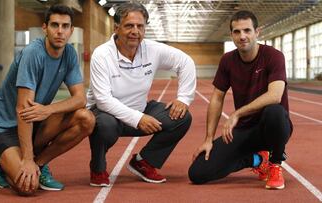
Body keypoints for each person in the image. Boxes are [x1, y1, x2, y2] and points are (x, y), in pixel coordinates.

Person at [0, 4, 95, 195]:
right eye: (54, 25)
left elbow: (80, 99)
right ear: (45, 28)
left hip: (36, 119)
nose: (60, 31)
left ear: (71, 30)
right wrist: (26, 159)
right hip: (2, 127)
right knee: (28, 188)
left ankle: (40, 163)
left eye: (65, 26)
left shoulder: (69, 54)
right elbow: (23, 111)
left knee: (86, 119)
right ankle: (7, 164)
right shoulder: (33, 54)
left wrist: (48, 110)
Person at [86, 2, 196, 187]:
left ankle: (144, 162)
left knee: (182, 117)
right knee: (105, 124)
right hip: (106, 115)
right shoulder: (102, 55)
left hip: (140, 109)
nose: (135, 31)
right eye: (129, 25)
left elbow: (185, 62)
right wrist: (138, 119)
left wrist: (184, 98)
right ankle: (97, 168)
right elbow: (103, 100)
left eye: (140, 26)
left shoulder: (152, 49)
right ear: (117, 28)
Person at [188, 10, 293, 190]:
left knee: (274, 111)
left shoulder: (274, 56)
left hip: (272, 128)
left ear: (257, 32)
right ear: (231, 35)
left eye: (247, 30)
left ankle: (275, 164)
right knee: (198, 173)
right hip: (245, 130)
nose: (242, 36)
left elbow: (275, 96)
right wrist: (208, 139)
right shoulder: (227, 60)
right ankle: (257, 159)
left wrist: (237, 113)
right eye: (237, 32)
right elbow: (216, 98)